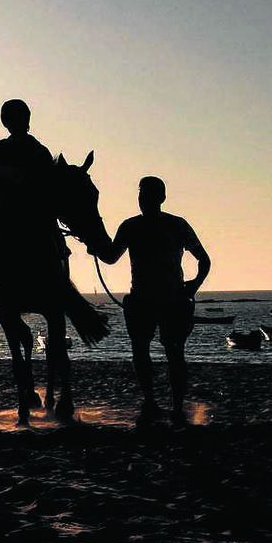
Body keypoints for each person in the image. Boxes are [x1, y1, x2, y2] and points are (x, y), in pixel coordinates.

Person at [92, 176, 211, 426]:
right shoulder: (136, 226)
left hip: (167, 300)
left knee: (170, 353)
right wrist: (94, 244)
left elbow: (204, 260)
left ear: (160, 198)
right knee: (148, 353)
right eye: (141, 194)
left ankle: (173, 406)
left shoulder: (170, 225)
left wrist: (193, 286)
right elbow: (111, 256)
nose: (142, 199)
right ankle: (154, 403)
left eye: (145, 194)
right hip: (148, 299)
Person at [0, 98, 59, 278]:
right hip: (5, 203)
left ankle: (60, 249)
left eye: (20, 117)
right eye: (12, 118)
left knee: (50, 221)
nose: (17, 122)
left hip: (34, 204)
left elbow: (50, 186)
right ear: (6, 122)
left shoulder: (40, 151)